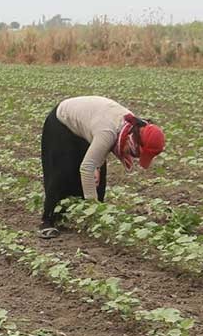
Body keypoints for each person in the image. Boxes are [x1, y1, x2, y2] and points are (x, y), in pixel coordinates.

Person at [39, 96, 165, 237]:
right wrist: (93, 207)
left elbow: (104, 147)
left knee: (99, 180)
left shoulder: (133, 127)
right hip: (62, 121)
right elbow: (87, 168)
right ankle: (48, 220)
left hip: (91, 123)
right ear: (135, 142)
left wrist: (97, 167)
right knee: (63, 172)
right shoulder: (108, 132)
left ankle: (83, 216)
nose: (132, 155)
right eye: (135, 153)